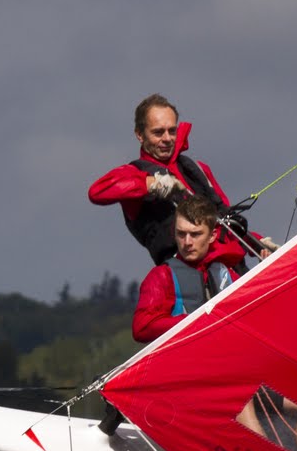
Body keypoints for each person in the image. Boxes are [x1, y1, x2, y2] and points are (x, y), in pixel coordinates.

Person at [89, 93, 241, 265]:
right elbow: (96, 192)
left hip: (234, 268)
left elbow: (227, 215)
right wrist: (152, 184)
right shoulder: (134, 173)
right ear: (140, 135)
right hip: (188, 277)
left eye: (172, 131)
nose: (167, 139)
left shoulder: (198, 169)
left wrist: (258, 244)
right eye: (158, 132)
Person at [131, 195, 249, 344]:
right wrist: (195, 321)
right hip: (188, 359)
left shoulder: (226, 272)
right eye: (181, 234)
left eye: (195, 234)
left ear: (212, 236)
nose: (187, 242)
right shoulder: (162, 276)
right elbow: (142, 327)